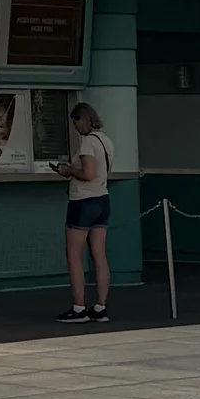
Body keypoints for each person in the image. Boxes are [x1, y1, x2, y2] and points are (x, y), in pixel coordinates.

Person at [57, 100, 114, 324]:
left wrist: (68, 170)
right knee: (99, 255)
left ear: (84, 119)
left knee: (74, 256)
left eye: (76, 122)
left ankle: (79, 307)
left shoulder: (88, 143)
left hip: (83, 202)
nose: (76, 127)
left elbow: (88, 173)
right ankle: (100, 307)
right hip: (102, 199)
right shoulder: (106, 141)